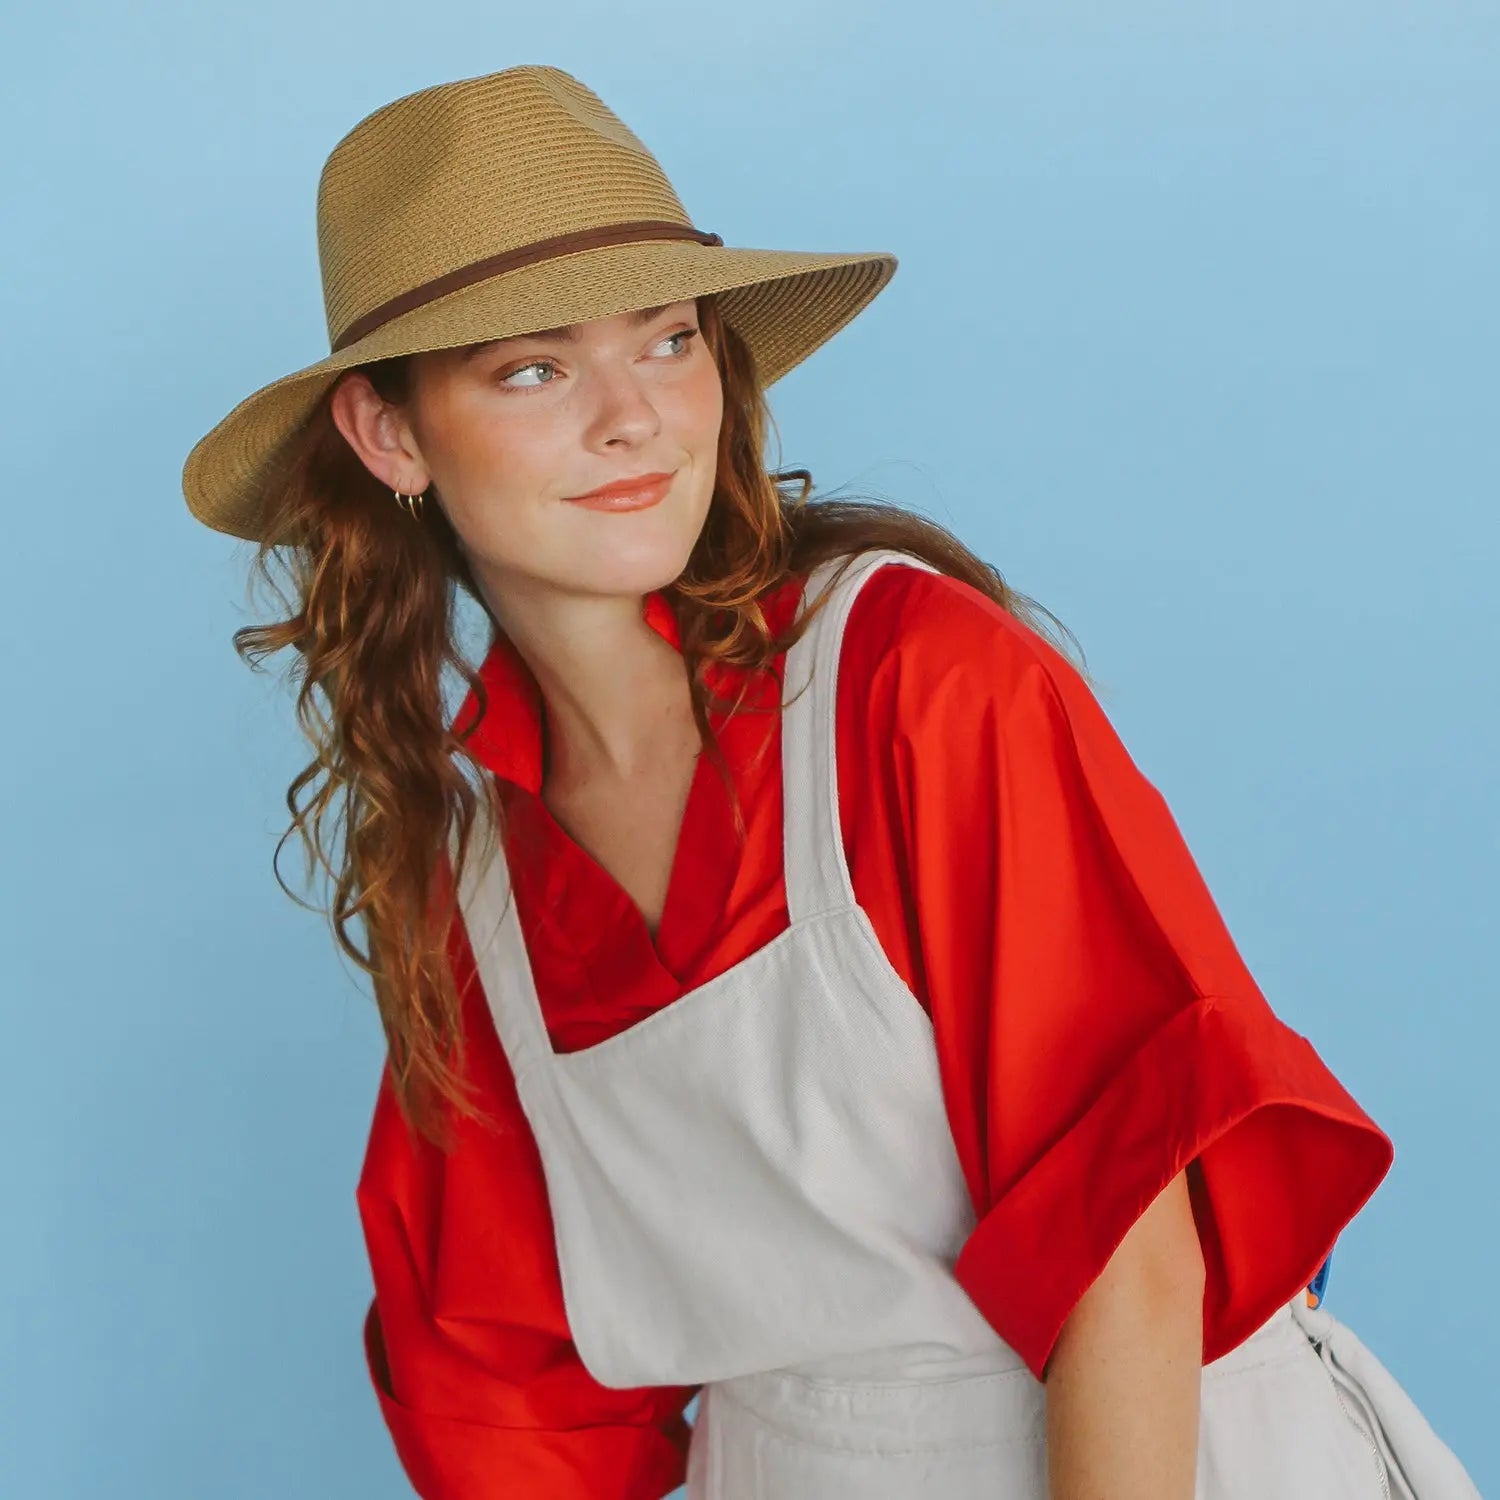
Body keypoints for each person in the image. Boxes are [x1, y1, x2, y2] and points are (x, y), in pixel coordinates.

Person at [180, 64, 1480, 1500]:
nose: (633, 418)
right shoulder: (474, 890)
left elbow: (1133, 1253)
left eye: (668, 342)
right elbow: (511, 1411)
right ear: (390, 435)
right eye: (534, 370)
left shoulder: (913, 681)